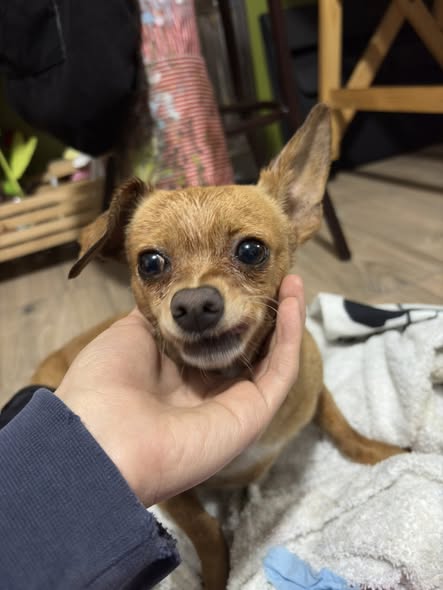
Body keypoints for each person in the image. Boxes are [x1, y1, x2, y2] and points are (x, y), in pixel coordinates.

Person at [0, 275, 305, 589]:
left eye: (250, 253)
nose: (195, 298)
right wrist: (210, 543)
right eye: (154, 265)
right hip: (51, 389)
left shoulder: (295, 358)